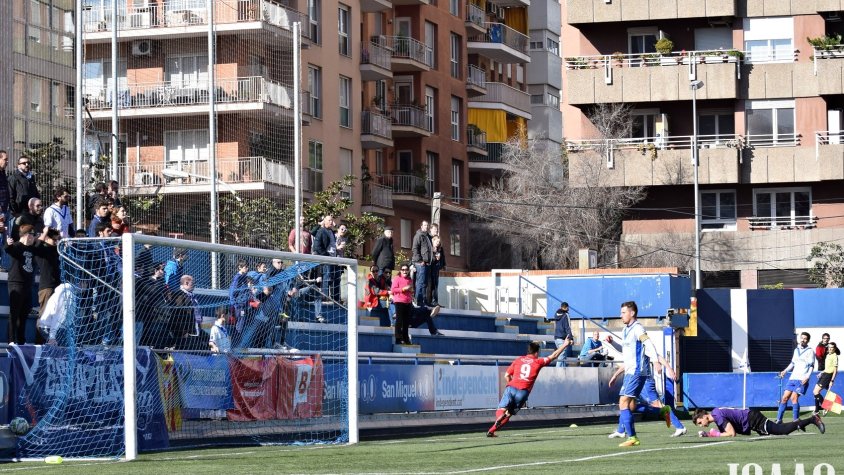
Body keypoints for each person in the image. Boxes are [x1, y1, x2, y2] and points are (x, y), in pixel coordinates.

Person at [486, 338, 572, 437]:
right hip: (523, 392)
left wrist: (511, 385)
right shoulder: (538, 362)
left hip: (511, 388)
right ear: (537, 352)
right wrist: (565, 344)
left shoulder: (518, 360)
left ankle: (498, 420)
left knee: (501, 409)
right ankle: (491, 431)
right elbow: (554, 355)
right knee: (509, 414)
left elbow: (507, 375)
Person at [616, 300, 661, 447]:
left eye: (623, 312)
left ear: (632, 313)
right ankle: (661, 411)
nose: (621, 315)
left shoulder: (638, 328)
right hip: (630, 372)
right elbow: (626, 350)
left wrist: (656, 361)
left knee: (623, 402)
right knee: (629, 405)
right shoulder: (625, 330)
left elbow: (648, 344)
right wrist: (611, 343)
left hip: (636, 371)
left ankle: (632, 437)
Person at [608, 355, 687, 438]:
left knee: (657, 405)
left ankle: (679, 427)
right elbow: (628, 363)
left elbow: (657, 356)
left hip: (645, 382)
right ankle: (621, 430)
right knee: (627, 405)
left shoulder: (642, 347)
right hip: (633, 381)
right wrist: (615, 375)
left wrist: (669, 369)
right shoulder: (632, 351)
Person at [6, 224, 38, 344]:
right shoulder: (17, 246)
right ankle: (11, 341)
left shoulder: (33, 249)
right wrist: (8, 244)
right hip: (16, 283)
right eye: (33, 234)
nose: (34, 237)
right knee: (14, 314)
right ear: (27, 235)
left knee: (24, 315)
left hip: (28, 285)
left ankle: (21, 341)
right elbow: (8, 249)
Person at [693, 407, 824, 437]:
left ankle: (813, 419)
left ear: (704, 416)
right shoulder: (716, 413)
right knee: (775, 429)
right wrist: (708, 434)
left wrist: (714, 434)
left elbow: (731, 433)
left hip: (753, 419)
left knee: (781, 431)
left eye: (699, 422)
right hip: (751, 417)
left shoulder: (718, 416)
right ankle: (799, 423)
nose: (701, 425)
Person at [776, 332, 816, 423]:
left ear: (808, 340)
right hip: (792, 378)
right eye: (802, 338)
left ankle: (796, 420)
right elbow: (792, 363)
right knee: (784, 398)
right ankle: (779, 420)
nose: (803, 340)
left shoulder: (810, 351)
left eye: (805, 338)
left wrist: (807, 377)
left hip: (802, 379)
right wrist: (785, 371)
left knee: (794, 398)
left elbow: (811, 366)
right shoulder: (796, 350)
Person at [168, 274, 206, 350]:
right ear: (186, 283)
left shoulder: (192, 296)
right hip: (183, 333)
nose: (194, 285)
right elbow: (178, 314)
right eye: (193, 283)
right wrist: (182, 332)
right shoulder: (178, 294)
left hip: (194, 330)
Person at [312, 215, 337, 306]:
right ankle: (324, 297)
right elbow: (317, 246)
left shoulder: (331, 232)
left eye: (332, 220)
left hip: (333, 259)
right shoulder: (321, 231)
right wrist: (326, 255)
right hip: (325, 258)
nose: (331, 222)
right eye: (329, 220)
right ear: (325, 221)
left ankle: (332, 297)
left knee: (331, 278)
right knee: (326, 277)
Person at [411, 221, 433, 307]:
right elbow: (415, 249)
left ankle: (423, 301)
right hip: (421, 264)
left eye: (427, 225)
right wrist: (420, 261)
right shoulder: (418, 235)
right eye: (425, 225)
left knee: (424, 283)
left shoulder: (428, 236)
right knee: (420, 283)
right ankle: (417, 300)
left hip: (427, 263)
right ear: (421, 226)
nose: (426, 227)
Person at [390, 264, 414, 345]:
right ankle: (398, 338)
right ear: (400, 271)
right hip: (399, 301)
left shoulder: (410, 279)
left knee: (406, 322)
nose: (404, 271)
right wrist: (403, 289)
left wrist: (411, 290)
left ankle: (405, 338)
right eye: (403, 269)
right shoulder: (397, 278)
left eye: (406, 269)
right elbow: (393, 289)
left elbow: (411, 290)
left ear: (408, 271)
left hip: (408, 302)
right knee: (399, 320)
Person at [814, 341, 839, 415]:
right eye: (829, 347)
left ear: (834, 348)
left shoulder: (834, 356)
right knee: (815, 392)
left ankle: (825, 407)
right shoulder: (828, 355)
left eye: (832, 347)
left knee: (815, 392)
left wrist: (832, 380)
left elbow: (835, 370)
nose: (830, 349)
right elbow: (827, 368)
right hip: (824, 374)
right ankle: (816, 410)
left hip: (828, 376)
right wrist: (821, 373)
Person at [548, 302, 574, 367]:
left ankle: (562, 371)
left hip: (556, 338)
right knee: (562, 355)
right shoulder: (566, 315)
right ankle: (558, 371)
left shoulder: (556, 314)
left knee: (563, 356)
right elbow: (568, 327)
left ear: (561, 307)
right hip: (562, 338)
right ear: (567, 307)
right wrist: (571, 338)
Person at [0, 150, 11, 270]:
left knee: (5, 238)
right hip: (1, 210)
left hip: (5, 209)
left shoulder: (3, 173)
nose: (7, 162)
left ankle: (3, 265)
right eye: (5, 159)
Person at [429, 234, 445, 308]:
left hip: (436, 270)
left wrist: (441, 265)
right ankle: (430, 301)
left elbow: (442, 259)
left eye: (439, 242)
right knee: (430, 286)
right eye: (437, 241)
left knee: (435, 286)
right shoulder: (430, 249)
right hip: (430, 269)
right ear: (433, 241)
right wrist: (434, 257)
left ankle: (435, 301)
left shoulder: (439, 250)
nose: (438, 243)